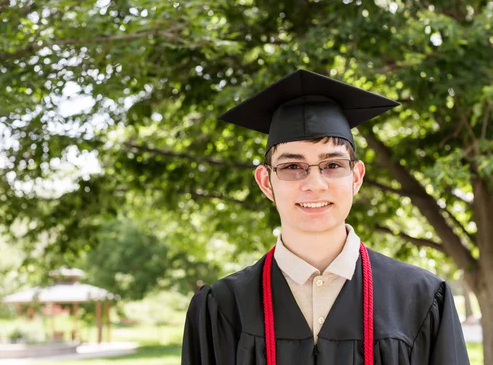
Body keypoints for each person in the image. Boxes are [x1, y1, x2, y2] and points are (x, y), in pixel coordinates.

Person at [181, 70, 469, 364]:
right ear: (266, 182)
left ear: (356, 177)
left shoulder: (422, 299)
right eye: (292, 166)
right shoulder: (221, 307)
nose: (314, 184)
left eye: (332, 164)